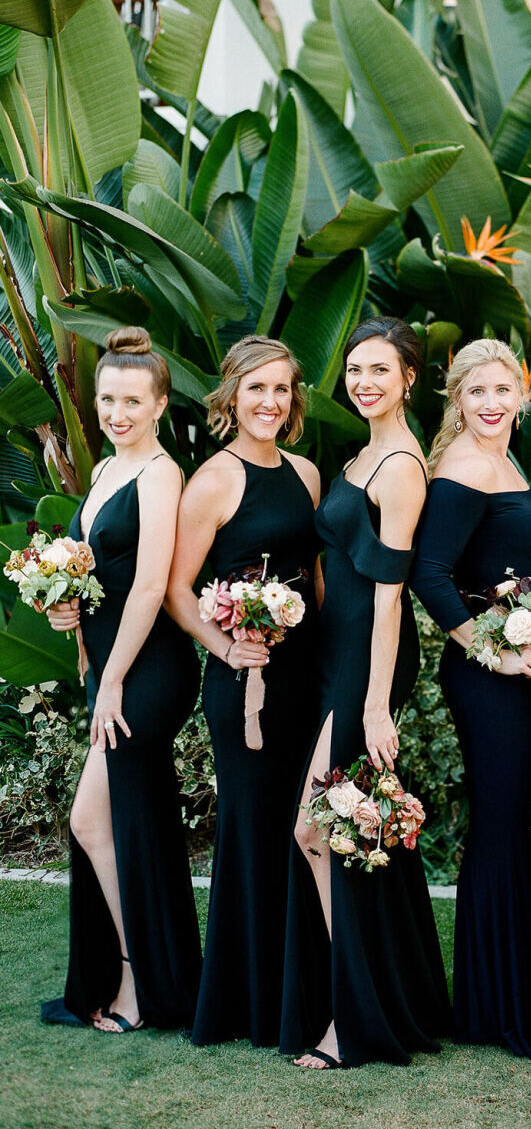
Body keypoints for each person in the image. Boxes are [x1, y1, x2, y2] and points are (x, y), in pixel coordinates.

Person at [283, 316, 449, 1070]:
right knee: (355, 833)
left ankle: (356, 1021)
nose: (364, 382)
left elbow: (390, 594)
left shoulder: (403, 468)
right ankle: (396, 998)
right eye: (355, 370)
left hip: (367, 663)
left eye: (380, 370)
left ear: (408, 378)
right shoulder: (361, 452)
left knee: (321, 830)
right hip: (333, 655)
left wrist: (376, 701)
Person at [42, 327, 201, 1034]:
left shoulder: (163, 475)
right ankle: (139, 975)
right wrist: (62, 608)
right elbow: (95, 575)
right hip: (107, 667)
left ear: (160, 403)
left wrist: (112, 683)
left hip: (148, 672)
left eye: (133, 401)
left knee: (97, 819)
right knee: (114, 821)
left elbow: (147, 589)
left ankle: (143, 986)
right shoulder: (107, 470)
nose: (118, 413)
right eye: (108, 399)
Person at [165, 336, 321, 1047]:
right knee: (253, 832)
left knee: (300, 829)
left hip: (305, 681)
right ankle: (250, 1004)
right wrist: (226, 643)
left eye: (281, 389)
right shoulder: (214, 480)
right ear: (231, 397)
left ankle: (299, 988)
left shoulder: (308, 473)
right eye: (255, 389)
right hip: (243, 685)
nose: (269, 402)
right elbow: (177, 586)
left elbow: (312, 576)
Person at [411, 338, 531, 1057]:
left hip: (517, 675)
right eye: (477, 393)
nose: (492, 404)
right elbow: (429, 575)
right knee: (501, 824)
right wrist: (493, 649)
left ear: (523, 394)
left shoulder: (504, 459)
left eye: (504, 391)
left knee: (512, 820)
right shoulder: (465, 467)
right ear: (457, 401)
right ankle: (497, 1012)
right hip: (486, 681)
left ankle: (508, 993)